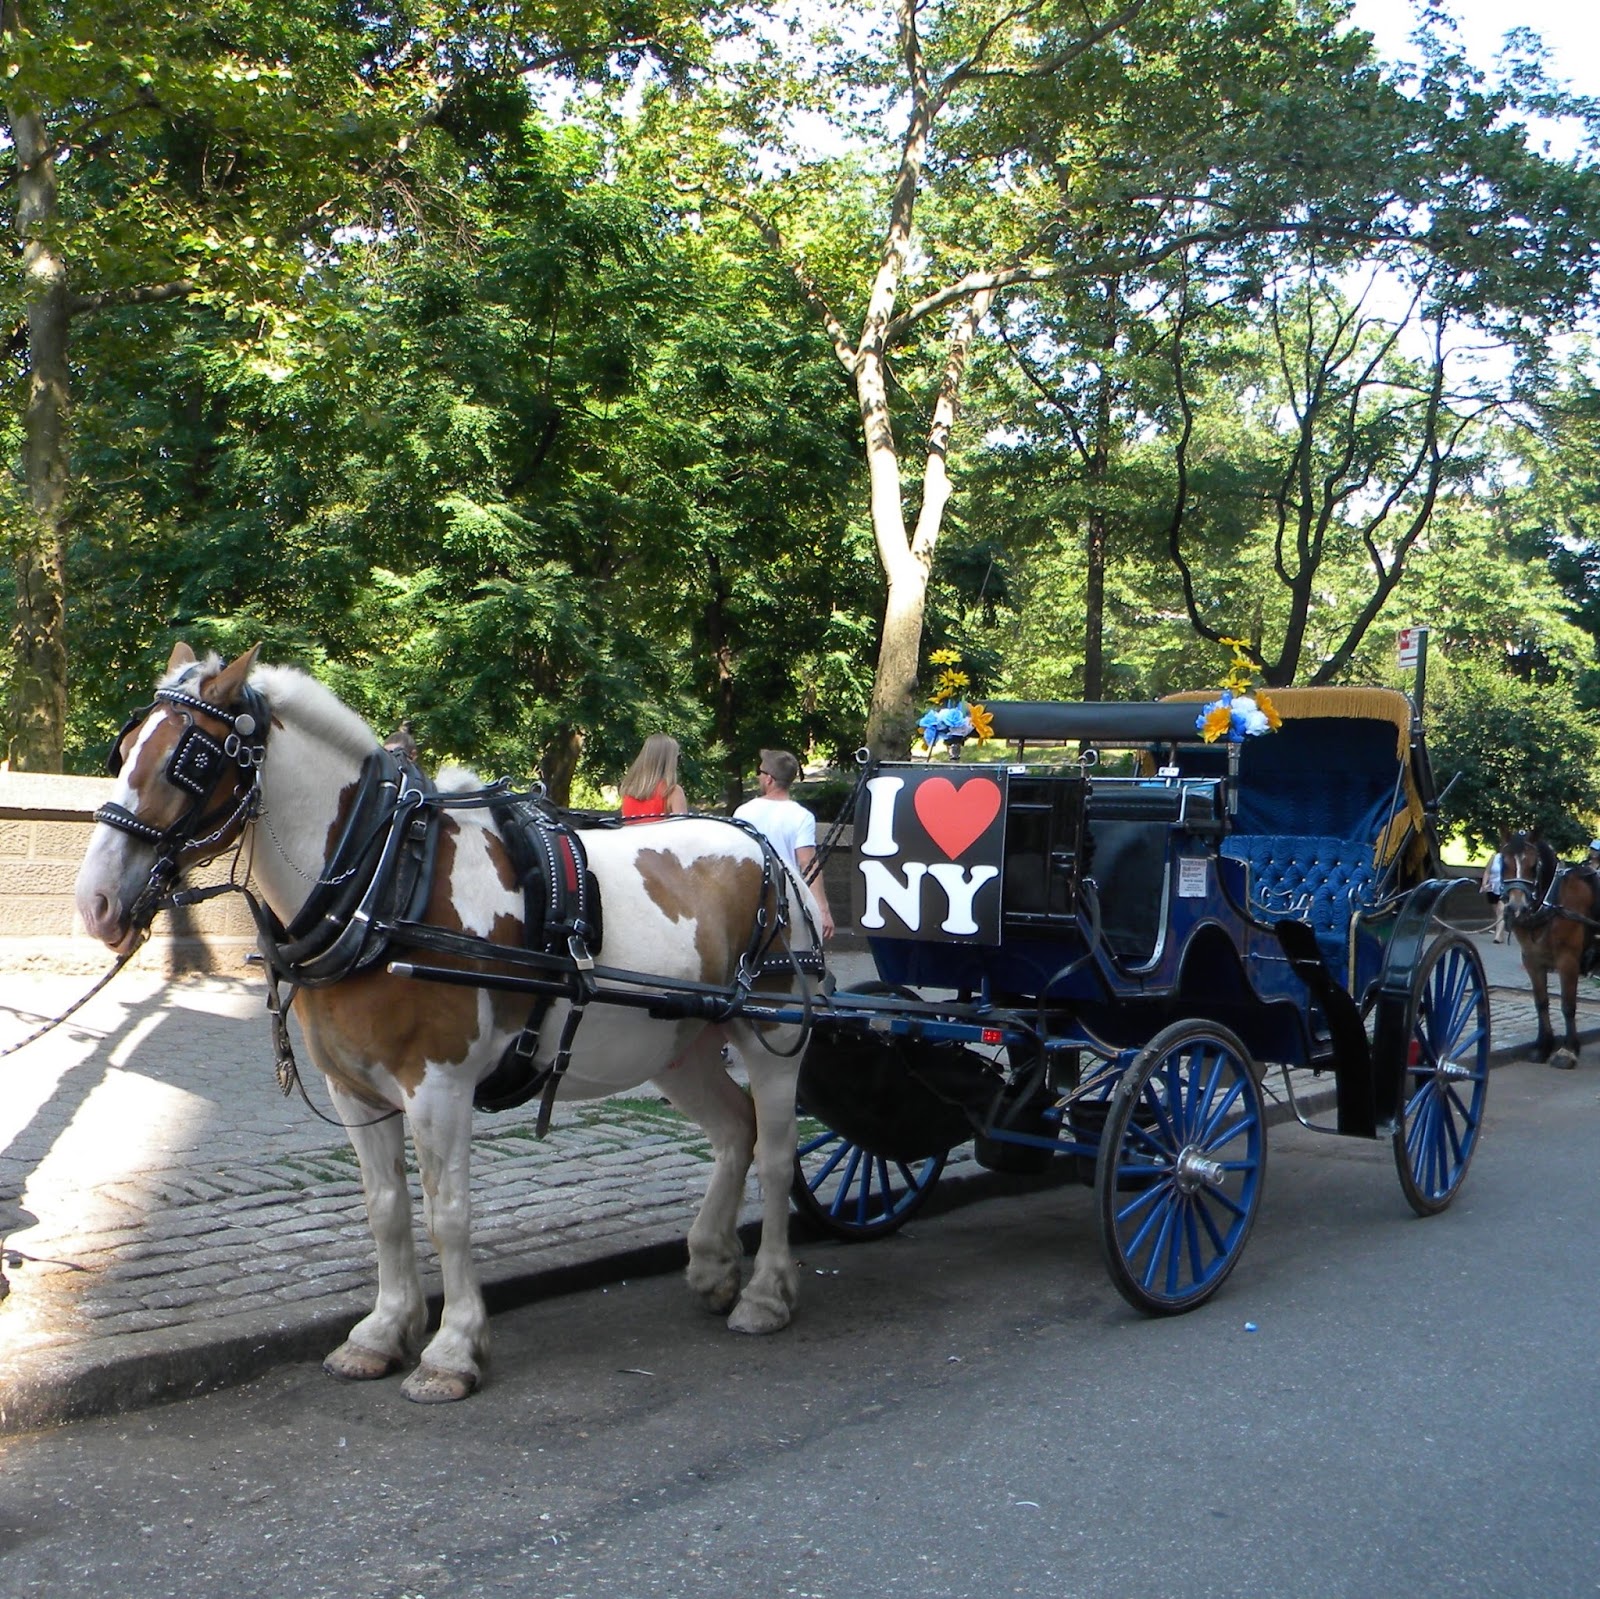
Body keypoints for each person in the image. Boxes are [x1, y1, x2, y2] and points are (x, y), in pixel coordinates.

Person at [734, 748, 835, 940]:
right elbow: (809, 863)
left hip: (750, 898)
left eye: (760, 773)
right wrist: (823, 909)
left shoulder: (743, 813)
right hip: (787, 901)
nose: (758, 777)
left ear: (769, 779)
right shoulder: (802, 816)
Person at [620, 733, 688, 820]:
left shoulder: (628, 790)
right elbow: (682, 829)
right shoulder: (672, 791)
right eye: (677, 757)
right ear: (669, 761)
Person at [1480, 848, 1505, 943]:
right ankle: (1501, 933)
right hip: (1492, 887)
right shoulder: (1494, 857)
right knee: (1497, 912)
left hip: (1504, 888)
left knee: (1501, 910)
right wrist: (1484, 883)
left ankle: (1497, 936)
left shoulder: (1511, 859)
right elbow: (1487, 871)